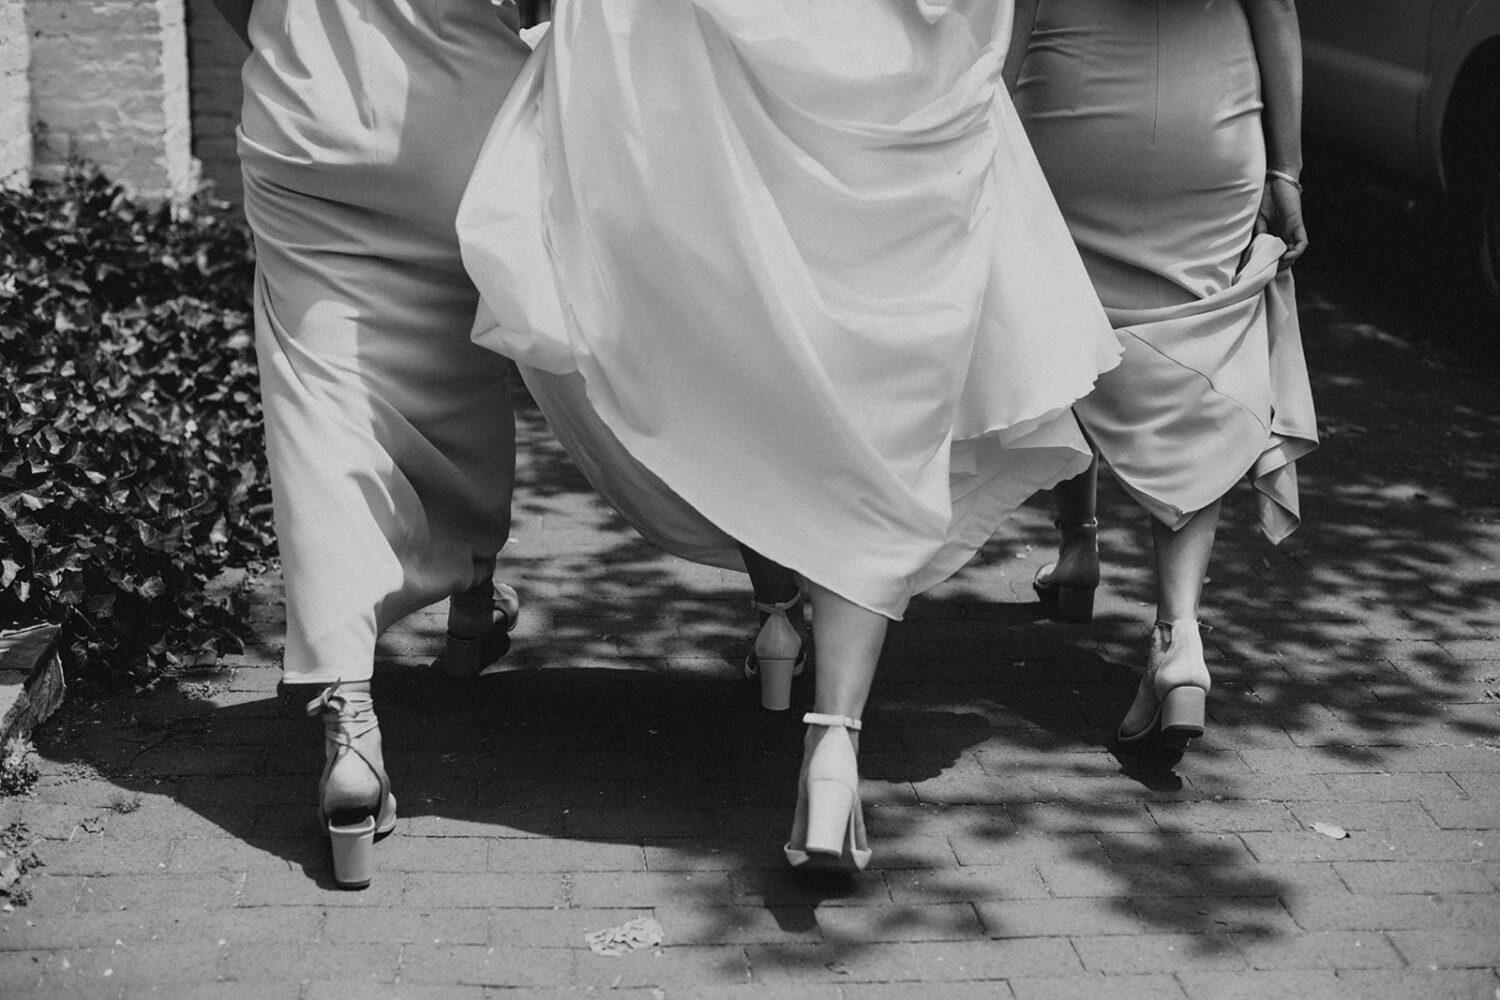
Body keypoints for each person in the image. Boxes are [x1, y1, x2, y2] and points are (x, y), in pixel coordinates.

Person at [457, 0, 1122, 871]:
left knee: (754, 359)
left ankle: (777, 620)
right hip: (888, 89)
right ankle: (834, 741)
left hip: (704, 69)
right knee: (872, 408)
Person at [210, 0, 532, 888]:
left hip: (304, 111)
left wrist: (300, 38)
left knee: (320, 398)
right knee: (463, 365)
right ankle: (472, 603)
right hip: (464, 109)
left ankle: (350, 728)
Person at [1007, 0, 1319, 749]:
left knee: (1074, 321)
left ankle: (1079, 544)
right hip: (1210, 114)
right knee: (1190, 350)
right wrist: (1288, 169)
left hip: (1071, 104)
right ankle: (1178, 638)